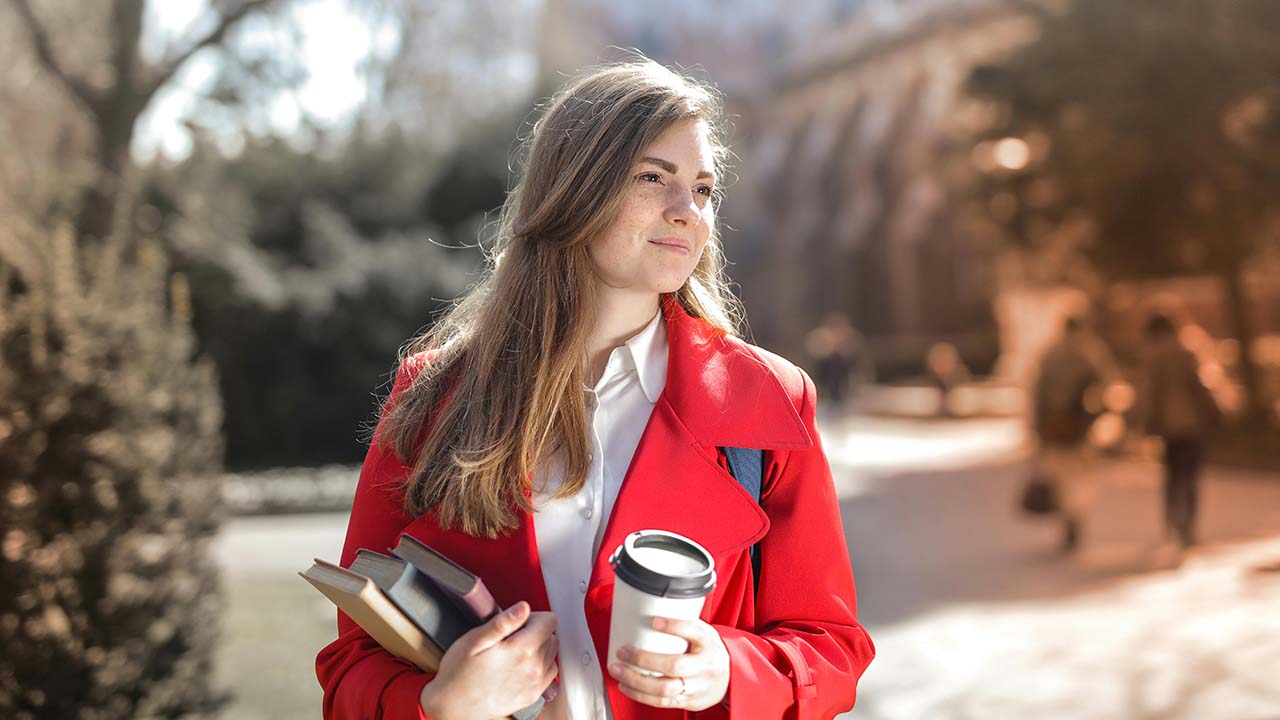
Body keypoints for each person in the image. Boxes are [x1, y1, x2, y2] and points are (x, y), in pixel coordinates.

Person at [315, 58, 874, 720]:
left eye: (703, 188)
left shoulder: (770, 399)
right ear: (572, 193)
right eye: (652, 178)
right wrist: (437, 704)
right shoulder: (432, 396)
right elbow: (351, 663)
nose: (687, 211)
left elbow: (832, 650)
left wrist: (731, 667)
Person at [1131, 313, 1220, 549]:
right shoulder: (1188, 350)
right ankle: (1189, 522)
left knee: (1172, 475)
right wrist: (1212, 413)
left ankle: (1173, 517)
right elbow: (1202, 387)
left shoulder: (1151, 356)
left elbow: (1148, 395)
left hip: (1167, 426)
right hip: (1192, 424)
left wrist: (1145, 423)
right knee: (1190, 475)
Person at [1030, 316, 1108, 552]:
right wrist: (1095, 417)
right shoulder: (1088, 354)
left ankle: (1067, 519)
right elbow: (1103, 387)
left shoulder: (1050, 355)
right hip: (1078, 427)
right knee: (1079, 476)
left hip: (1052, 427)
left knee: (1060, 477)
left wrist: (1037, 428)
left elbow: (1038, 394)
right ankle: (1074, 517)